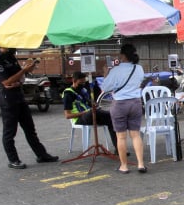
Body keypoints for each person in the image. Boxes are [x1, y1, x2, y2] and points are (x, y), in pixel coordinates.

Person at [0, 46, 58, 169]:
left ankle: (42, 155)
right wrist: (22, 71)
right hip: (8, 99)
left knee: (30, 128)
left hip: (19, 95)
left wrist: (25, 72)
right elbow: (6, 82)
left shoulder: (11, 57)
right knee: (10, 132)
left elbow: (18, 77)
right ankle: (13, 160)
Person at [101, 44, 146, 174]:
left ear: (123, 55)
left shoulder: (116, 70)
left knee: (121, 137)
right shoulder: (139, 68)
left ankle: (124, 166)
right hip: (136, 103)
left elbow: (106, 87)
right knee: (135, 135)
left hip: (120, 104)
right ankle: (141, 164)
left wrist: (106, 73)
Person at [62, 71, 119, 155]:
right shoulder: (68, 94)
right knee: (95, 113)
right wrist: (85, 112)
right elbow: (67, 115)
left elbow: (90, 104)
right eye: (80, 83)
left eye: (84, 82)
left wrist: (94, 105)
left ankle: (118, 148)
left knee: (111, 119)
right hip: (79, 118)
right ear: (74, 80)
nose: (82, 84)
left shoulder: (83, 90)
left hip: (91, 114)